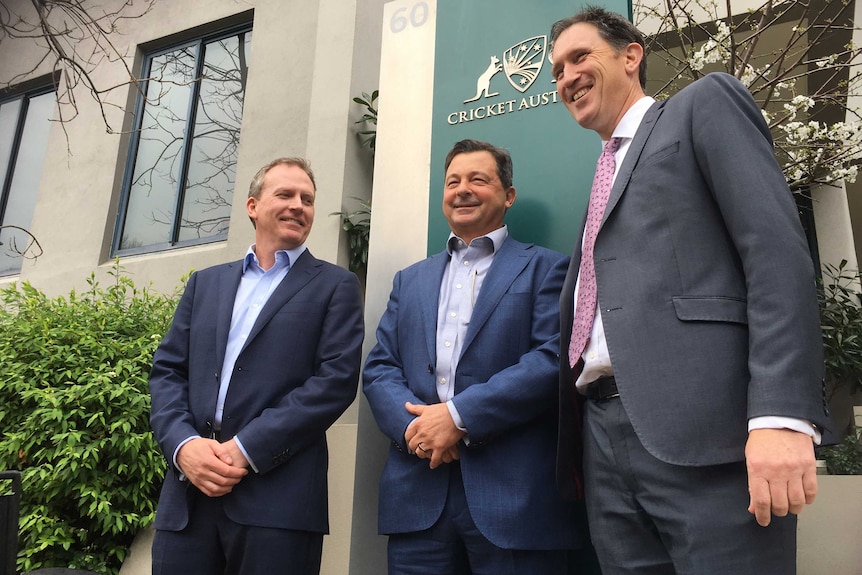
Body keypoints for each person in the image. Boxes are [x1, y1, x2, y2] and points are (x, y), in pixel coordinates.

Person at [549, 7, 832, 575]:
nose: (566, 77)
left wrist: (780, 415)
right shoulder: (601, 176)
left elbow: (775, 257)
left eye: (580, 57)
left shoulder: (703, 105)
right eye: (556, 70)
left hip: (707, 436)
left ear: (632, 56)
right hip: (602, 439)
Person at [363, 139, 585, 575]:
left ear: (508, 195)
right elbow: (379, 367)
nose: (462, 189)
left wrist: (458, 416)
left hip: (514, 502)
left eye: (478, 180)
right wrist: (416, 428)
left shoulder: (547, 268)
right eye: (453, 182)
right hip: (417, 495)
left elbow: (552, 357)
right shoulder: (410, 280)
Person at [148, 157, 364, 575]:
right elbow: (168, 371)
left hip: (278, 504)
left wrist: (246, 448)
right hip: (188, 498)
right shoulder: (205, 283)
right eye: (285, 194)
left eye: (307, 199)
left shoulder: (336, 285)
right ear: (252, 206)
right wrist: (183, 446)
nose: (298, 205)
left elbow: (334, 382)